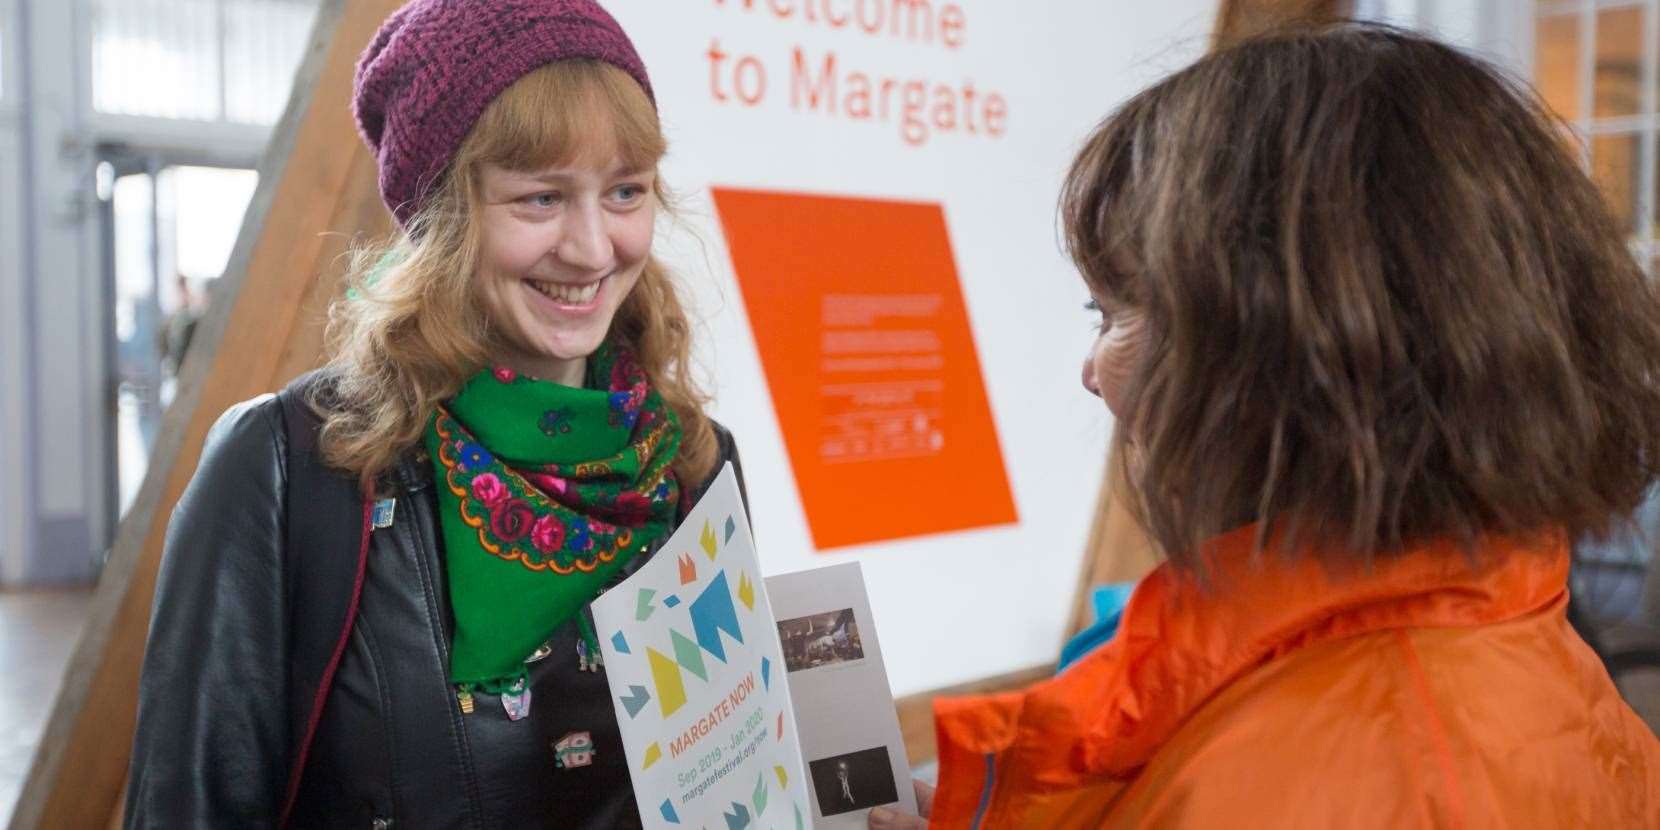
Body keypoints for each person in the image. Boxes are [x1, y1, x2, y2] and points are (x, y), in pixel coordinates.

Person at [872, 23, 1660, 829]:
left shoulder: (1302, 772)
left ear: (1269, 342)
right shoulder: (1509, 631)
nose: (1090, 373)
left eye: (1109, 313)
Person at [125, 1, 744, 826]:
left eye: (625, 191)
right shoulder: (285, 467)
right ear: (442, 218)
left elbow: (735, 776)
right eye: (540, 199)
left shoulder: (693, 462)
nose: (595, 249)